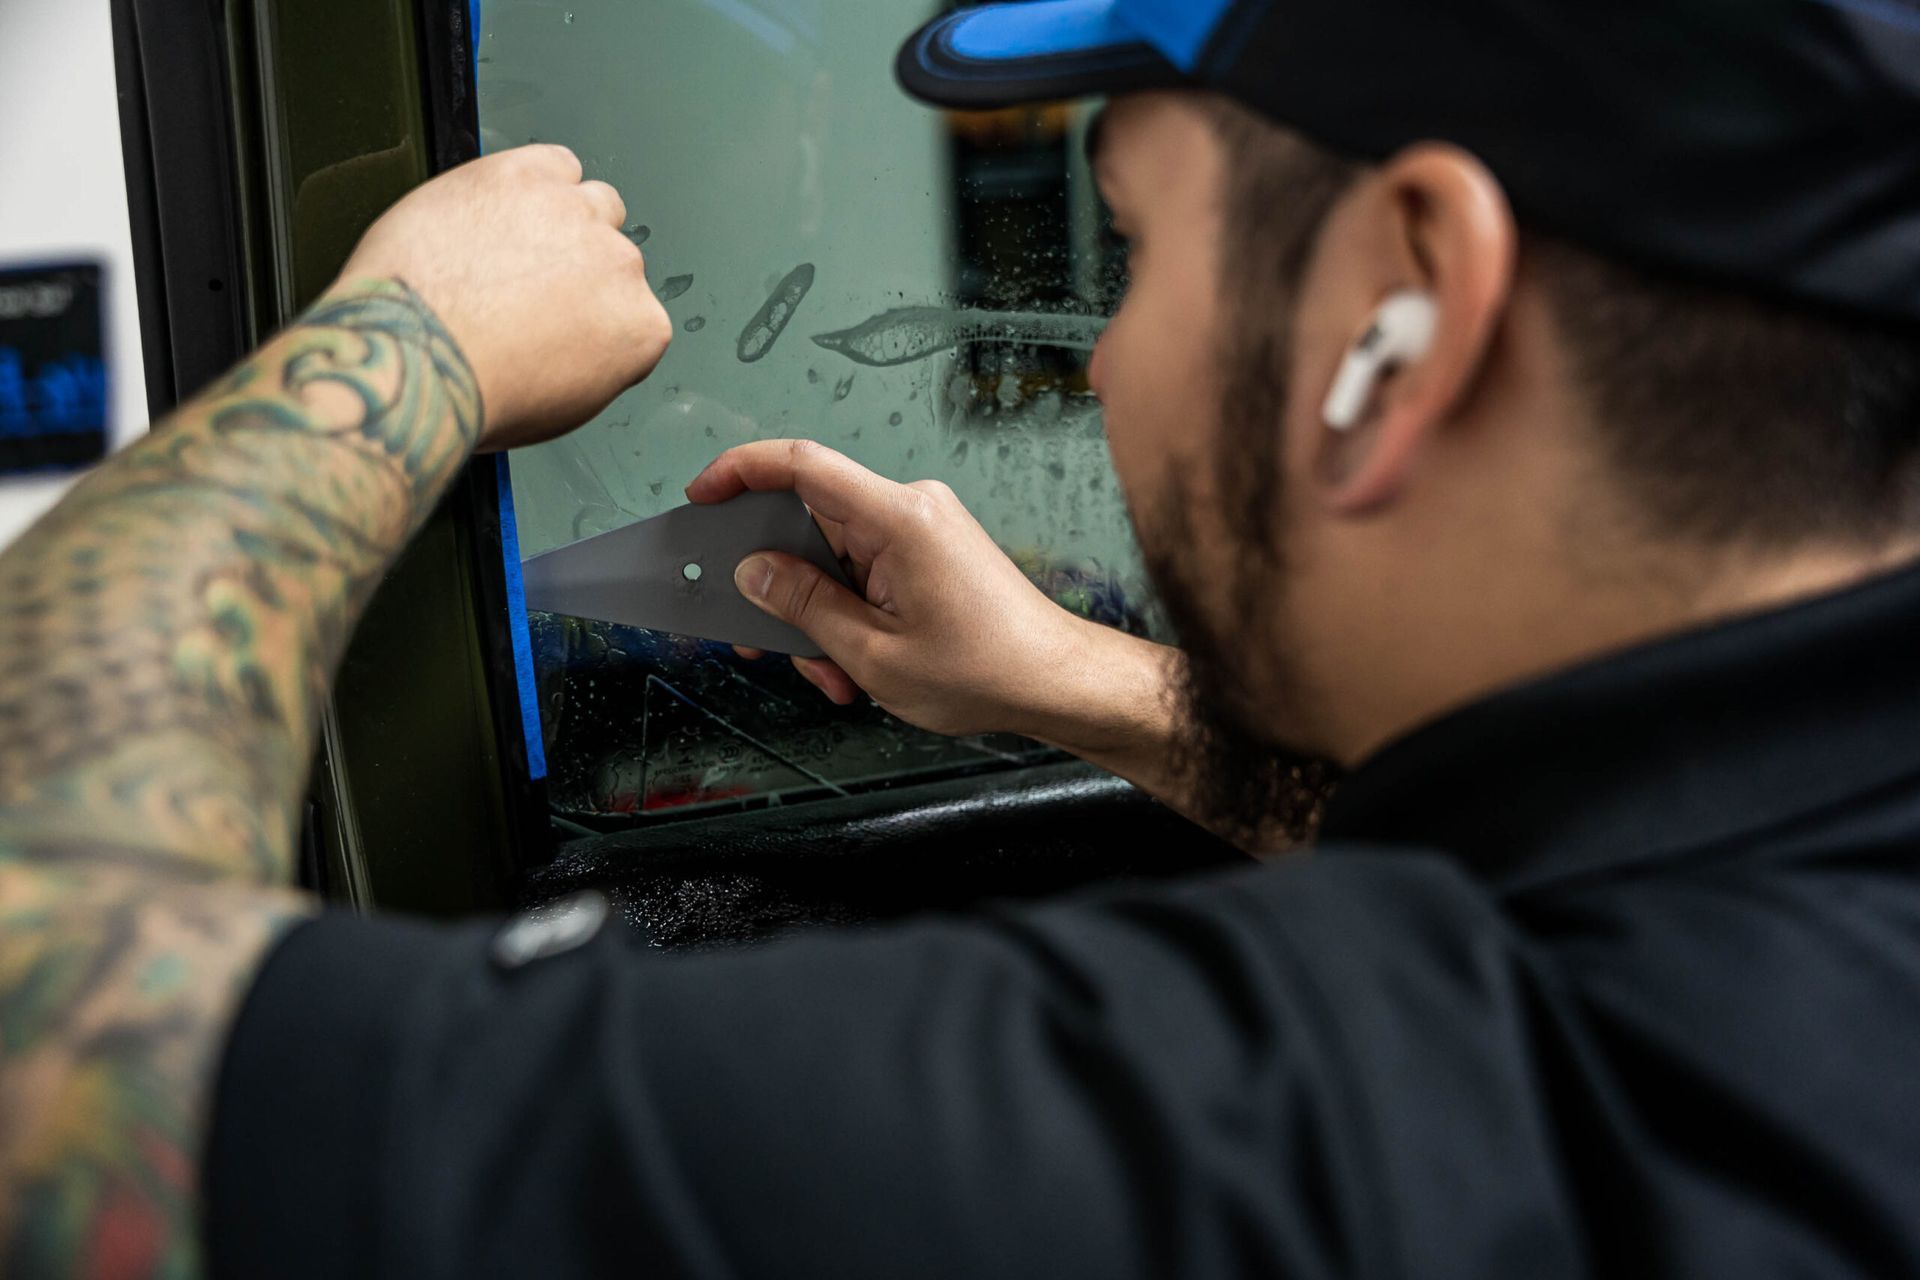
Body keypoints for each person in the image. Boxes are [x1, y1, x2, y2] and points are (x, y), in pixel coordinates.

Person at [4, 0, 1920, 1274]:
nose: (1103, 368)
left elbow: (43, 1014)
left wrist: (407, 341)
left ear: (1401, 321)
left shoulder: (1349, 1145)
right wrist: (1067, 685)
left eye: (1145, 251)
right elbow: (1602, 850)